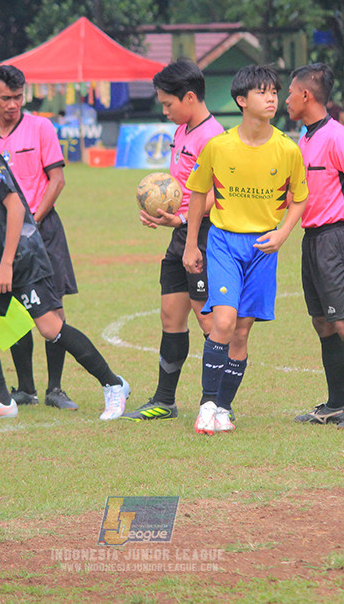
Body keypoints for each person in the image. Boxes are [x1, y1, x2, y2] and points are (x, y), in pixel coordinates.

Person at [0, 90, 129, 420]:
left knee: (51, 328)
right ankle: (1, 399)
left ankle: (113, 384)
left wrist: (7, 264)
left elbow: (15, 207)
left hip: (21, 256)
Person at [182, 65, 309, 435]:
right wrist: (192, 244)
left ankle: (224, 407)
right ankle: (206, 404)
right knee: (222, 322)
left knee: (241, 332)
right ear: (241, 100)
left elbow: (299, 199)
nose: (271, 98)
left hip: (263, 247)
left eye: (274, 92)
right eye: (262, 92)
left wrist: (283, 233)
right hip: (224, 242)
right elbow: (196, 194)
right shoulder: (219, 146)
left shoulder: (287, 149)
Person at [123, 59, 225, 422]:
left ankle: (216, 404)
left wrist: (183, 221)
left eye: (168, 104)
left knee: (208, 321)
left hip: (204, 236)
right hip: (183, 234)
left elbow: (217, 193)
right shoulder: (183, 130)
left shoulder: (213, 138)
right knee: (171, 315)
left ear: (191, 97)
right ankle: (164, 400)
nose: (164, 111)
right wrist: (167, 215)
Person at [285, 62, 344, 430]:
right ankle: (336, 404)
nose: (287, 100)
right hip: (312, 241)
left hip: (338, 239)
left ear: (306, 95)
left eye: (291, 93)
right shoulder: (306, 138)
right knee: (324, 323)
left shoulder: (337, 136)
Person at [0, 65, 80, 411]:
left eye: (18, 97)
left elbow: (58, 180)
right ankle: (25, 388)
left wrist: (32, 220)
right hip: (3, 238)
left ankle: (55, 388)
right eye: (5, 98)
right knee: (10, 308)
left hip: (43, 230)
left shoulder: (40, 127)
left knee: (52, 308)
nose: (13, 105)